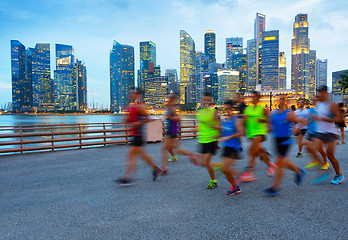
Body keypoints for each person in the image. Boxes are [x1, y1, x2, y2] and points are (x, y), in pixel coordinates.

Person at [117, 88, 162, 186]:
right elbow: (129, 119)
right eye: (130, 93)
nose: (131, 95)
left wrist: (139, 123)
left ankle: (127, 178)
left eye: (133, 93)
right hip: (133, 134)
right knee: (143, 156)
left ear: (138, 95)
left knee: (131, 156)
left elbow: (148, 118)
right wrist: (125, 120)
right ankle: (156, 169)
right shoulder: (130, 106)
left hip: (138, 134)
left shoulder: (140, 106)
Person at [263, 96, 307, 196]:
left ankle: (274, 187)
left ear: (286, 102)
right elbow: (268, 125)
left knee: (280, 163)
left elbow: (302, 120)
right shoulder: (273, 113)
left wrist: (297, 129)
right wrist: (268, 127)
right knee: (282, 161)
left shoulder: (289, 113)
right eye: (279, 99)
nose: (281, 101)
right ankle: (299, 171)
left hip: (285, 140)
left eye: (283, 99)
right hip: (276, 140)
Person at [240, 91, 276, 182]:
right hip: (251, 133)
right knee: (259, 152)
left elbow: (269, 119)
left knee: (251, 151)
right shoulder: (247, 109)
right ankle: (270, 164)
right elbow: (244, 120)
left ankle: (249, 172)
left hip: (260, 132)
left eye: (255, 97)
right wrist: (243, 125)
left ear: (258, 98)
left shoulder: (262, 109)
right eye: (252, 97)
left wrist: (263, 120)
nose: (253, 98)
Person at [313, 86, 344, 184]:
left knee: (330, 155)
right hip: (320, 132)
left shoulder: (332, 105)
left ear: (327, 93)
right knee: (314, 149)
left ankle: (339, 175)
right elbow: (318, 116)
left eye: (322, 92)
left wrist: (326, 119)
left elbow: (339, 119)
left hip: (331, 132)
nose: (320, 94)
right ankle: (323, 170)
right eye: (319, 93)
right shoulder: (318, 104)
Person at [161, 94, 197, 174]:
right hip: (170, 130)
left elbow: (178, 118)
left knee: (165, 148)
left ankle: (165, 167)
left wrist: (169, 117)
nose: (167, 99)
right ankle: (190, 154)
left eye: (169, 98)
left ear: (173, 100)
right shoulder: (170, 107)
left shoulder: (174, 108)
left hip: (173, 130)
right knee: (175, 148)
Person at [196, 92, 221, 189]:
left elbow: (219, 125)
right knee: (204, 163)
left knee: (205, 162)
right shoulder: (199, 111)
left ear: (210, 101)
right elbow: (200, 124)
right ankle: (213, 180)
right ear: (201, 100)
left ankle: (222, 166)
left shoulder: (213, 111)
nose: (206, 102)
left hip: (211, 139)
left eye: (208, 100)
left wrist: (217, 132)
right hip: (202, 139)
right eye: (204, 99)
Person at [219, 100, 243, 195]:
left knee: (225, 168)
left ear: (232, 109)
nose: (227, 110)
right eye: (225, 109)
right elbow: (223, 133)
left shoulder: (236, 121)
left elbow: (240, 133)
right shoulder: (224, 121)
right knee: (225, 169)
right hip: (226, 146)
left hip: (233, 147)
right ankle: (235, 186)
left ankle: (241, 176)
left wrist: (229, 137)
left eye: (229, 108)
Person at [303, 96, 329, 170]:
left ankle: (325, 162)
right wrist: (306, 129)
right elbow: (308, 121)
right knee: (308, 147)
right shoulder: (311, 110)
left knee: (318, 149)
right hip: (311, 132)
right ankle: (317, 160)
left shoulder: (322, 111)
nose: (313, 101)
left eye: (315, 100)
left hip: (319, 132)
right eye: (313, 100)